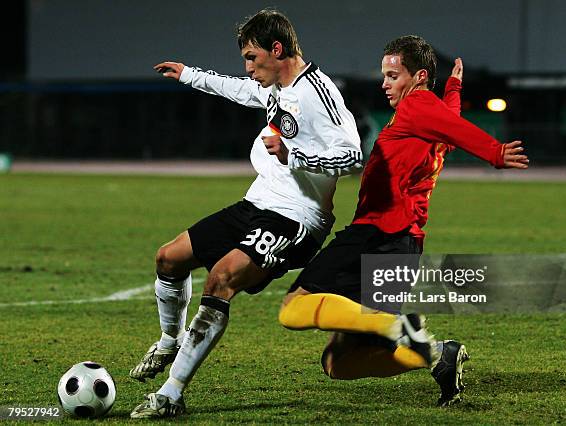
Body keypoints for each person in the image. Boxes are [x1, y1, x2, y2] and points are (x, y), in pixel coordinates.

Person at [129, 9, 362, 418]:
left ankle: (171, 394)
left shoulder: (318, 93)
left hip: (296, 219)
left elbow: (352, 156)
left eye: (252, 58)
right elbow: (236, 89)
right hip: (257, 203)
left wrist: (296, 156)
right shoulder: (274, 87)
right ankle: (169, 341)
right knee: (169, 258)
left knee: (221, 278)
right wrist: (187, 74)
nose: (249, 68)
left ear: (278, 49)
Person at [277, 35, 529, 407]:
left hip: (376, 233)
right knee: (338, 362)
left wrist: (494, 152)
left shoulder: (417, 106)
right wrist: (455, 88)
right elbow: (450, 122)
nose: (385, 83)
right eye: (384, 75)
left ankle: (400, 328)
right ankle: (437, 353)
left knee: (294, 307)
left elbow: (455, 128)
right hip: (403, 244)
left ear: (419, 76)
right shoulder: (427, 113)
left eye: (393, 75)